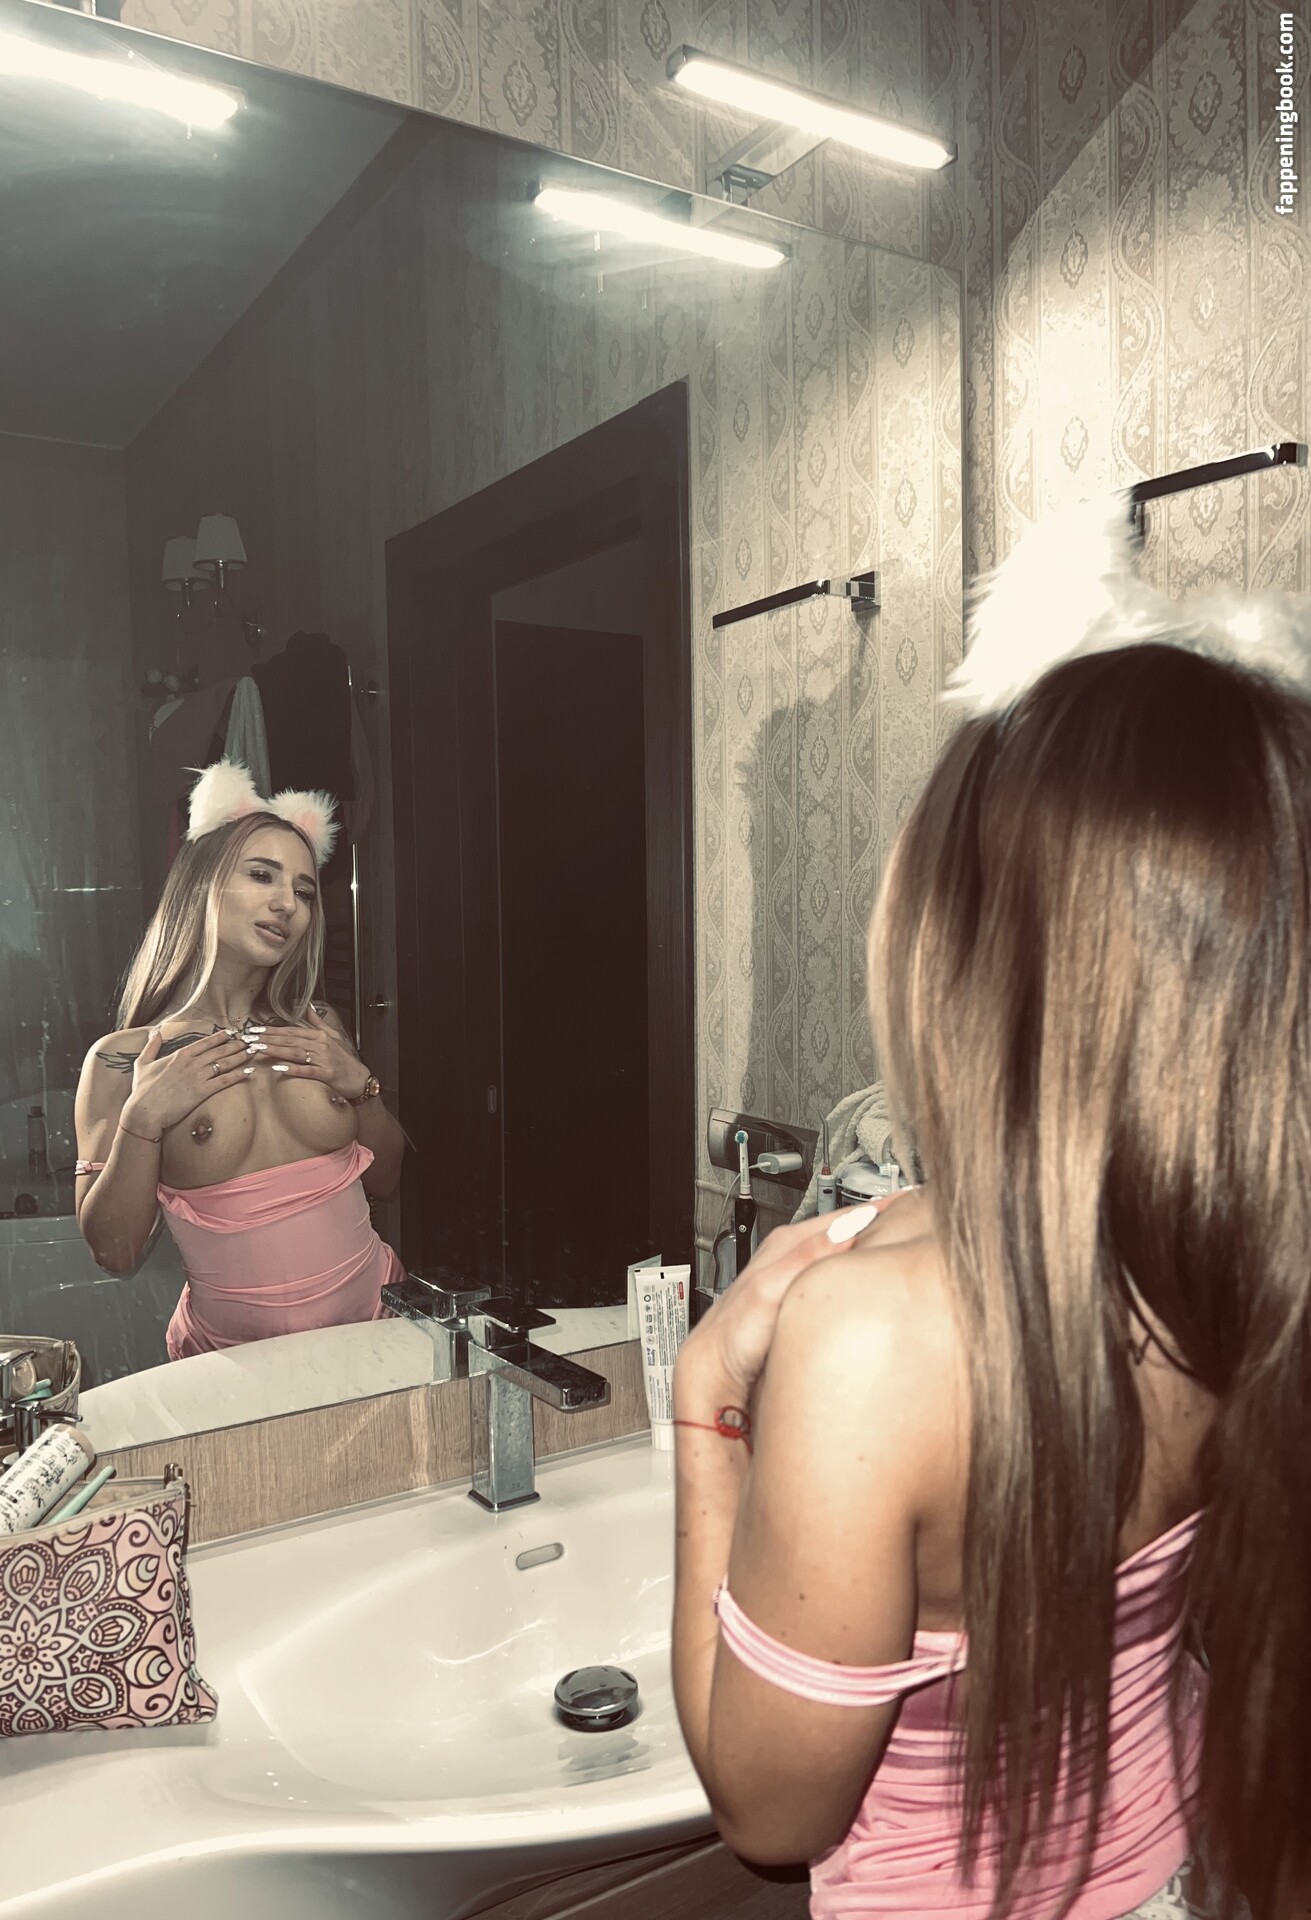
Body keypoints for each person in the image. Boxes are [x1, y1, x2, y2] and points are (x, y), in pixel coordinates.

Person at [672, 554, 1311, 1918]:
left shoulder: (876, 1341)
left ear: (965, 946)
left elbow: (767, 1815)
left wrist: (702, 1409)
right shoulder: (1261, 1255)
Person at [75, 760, 407, 1359]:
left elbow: (387, 1181)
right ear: (202, 882)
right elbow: (114, 1253)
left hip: (377, 1328)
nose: (287, 904)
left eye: (303, 892)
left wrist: (361, 1085)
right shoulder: (122, 1060)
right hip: (234, 1367)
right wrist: (141, 1122)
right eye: (261, 875)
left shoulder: (318, 1025)